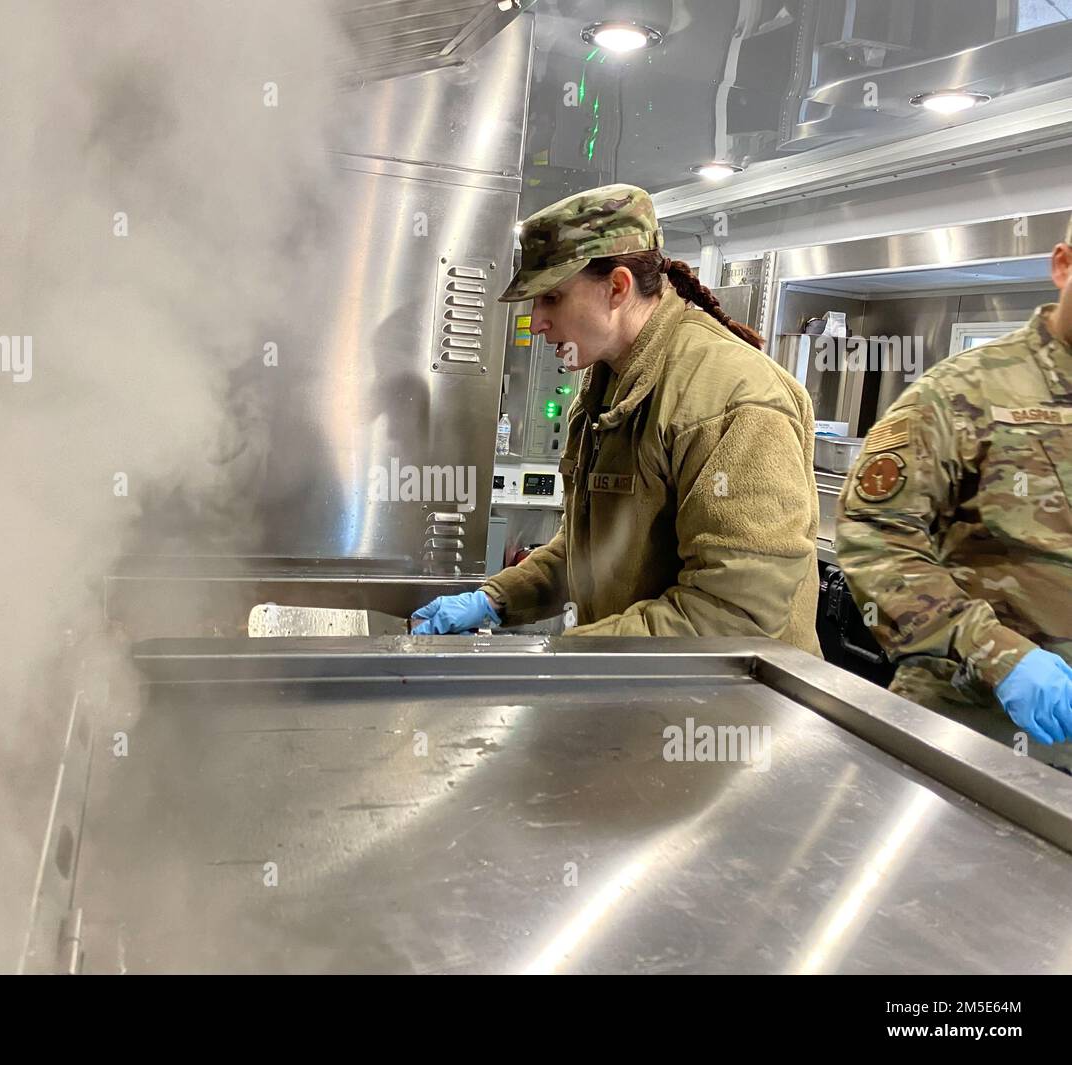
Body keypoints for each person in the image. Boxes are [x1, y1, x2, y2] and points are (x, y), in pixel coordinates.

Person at [412, 184, 821, 653]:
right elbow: (588, 550)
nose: (536, 321)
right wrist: (495, 600)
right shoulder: (607, 390)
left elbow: (733, 613)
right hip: (649, 690)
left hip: (732, 712)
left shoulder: (729, 399)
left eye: (551, 298)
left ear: (618, 287)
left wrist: (566, 657)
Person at [835, 217, 1072, 769]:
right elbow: (875, 535)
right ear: (1063, 264)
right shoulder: (965, 390)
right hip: (974, 722)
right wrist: (995, 652)